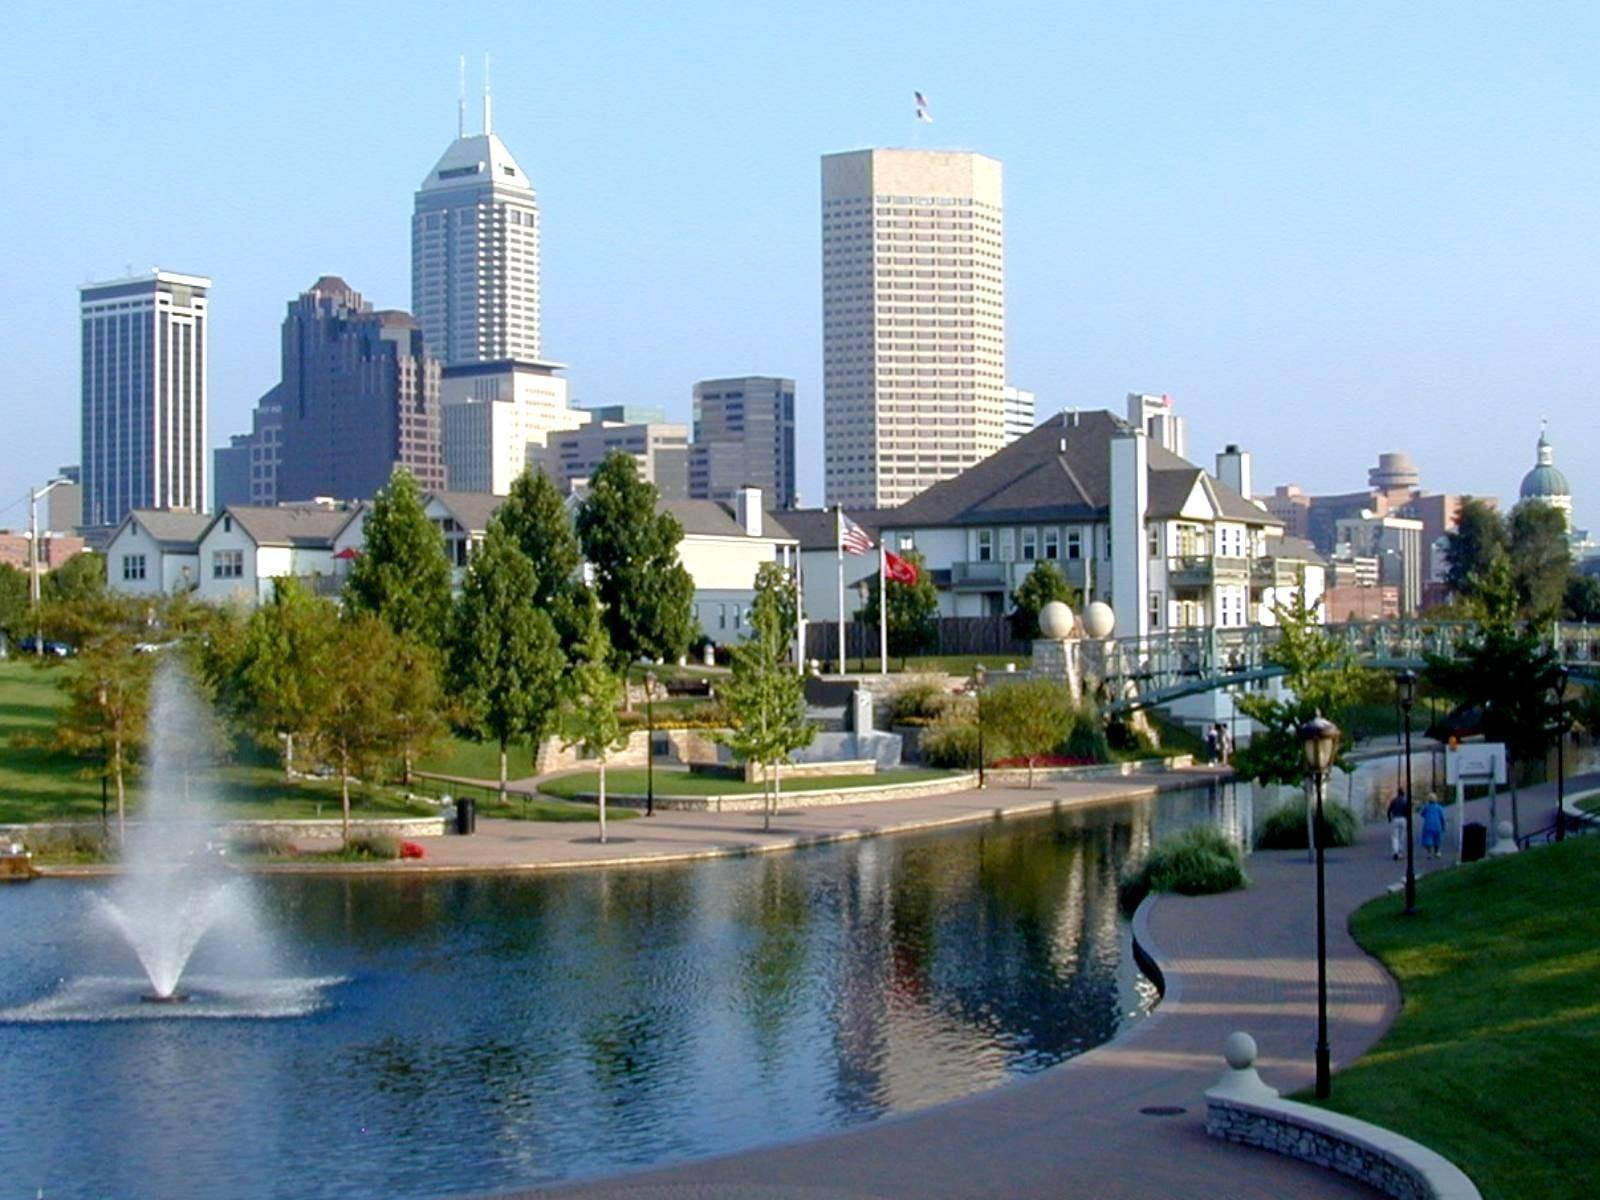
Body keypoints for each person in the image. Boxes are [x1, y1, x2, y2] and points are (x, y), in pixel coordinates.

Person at [1420, 794, 1447, 860]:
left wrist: (1426, 816)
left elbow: (1421, 814)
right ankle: (1437, 852)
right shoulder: (1439, 807)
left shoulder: (1426, 807)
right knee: (1437, 838)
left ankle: (1429, 853)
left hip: (1428, 825)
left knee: (1428, 838)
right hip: (1437, 825)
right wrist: (1443, 826)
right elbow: (1442, 818)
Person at [1387, 788, 1410, 860]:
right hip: (1403, 819)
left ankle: (1395, 852)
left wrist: (1389, 819)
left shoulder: (1394, 800)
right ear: (1403, 794)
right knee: (1402, 836)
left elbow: (1389, 810)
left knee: (1395, 837)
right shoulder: (1405, 801)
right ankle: (1400, 852)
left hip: (1395, 818)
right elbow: (1408, 811)